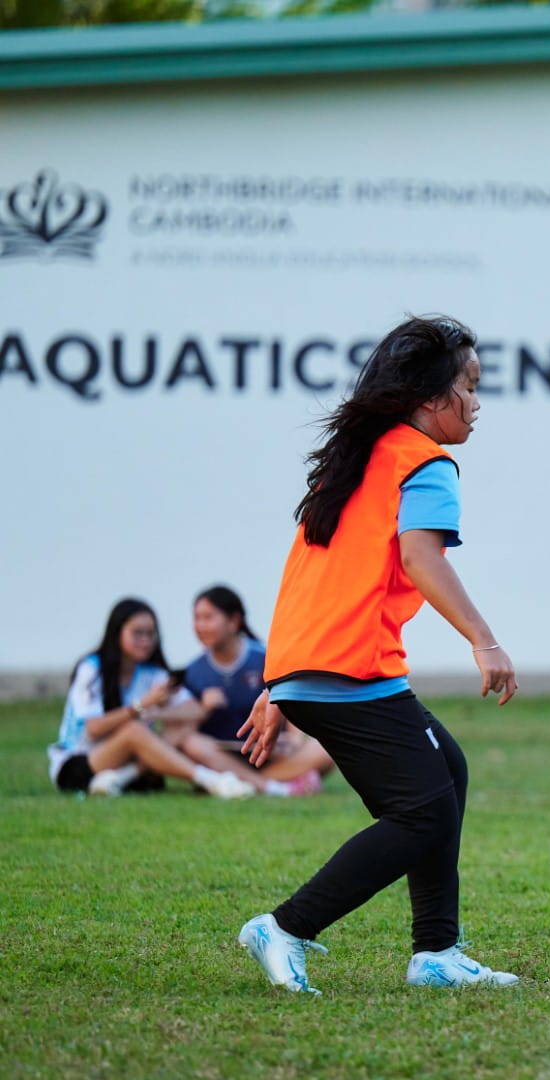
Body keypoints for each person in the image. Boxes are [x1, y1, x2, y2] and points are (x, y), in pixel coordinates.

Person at [234, 314, 520, 995]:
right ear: (431, 399)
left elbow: (308, 575)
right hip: (347, 667)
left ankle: (437, 953)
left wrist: (279, 681)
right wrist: (485, 638)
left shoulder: (358, 458)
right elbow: (422, 559)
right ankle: (286, 926)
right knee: (422, 812)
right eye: (470, 387)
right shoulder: (423, 461)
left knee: (444, 773)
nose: (478, 403)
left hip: (316, 664)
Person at [48, 598, 257, 800]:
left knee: (180, 727)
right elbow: (93, 728)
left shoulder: (152, 672)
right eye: (138, 633)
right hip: (81, 761)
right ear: (117, 633)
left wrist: (159, 713)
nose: (146, 641)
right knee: (133, 730)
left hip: (126, 761)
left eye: (151, 633)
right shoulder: (92, 668)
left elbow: (194, 711)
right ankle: (212, 781)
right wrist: (142, 706)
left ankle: (123, 777)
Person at [166, 585, 333, 796]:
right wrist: (204, 709)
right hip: (222, 754)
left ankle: (244, 783)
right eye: (197, 618)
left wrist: (293, 739)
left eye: (208, 618)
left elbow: (290, 695)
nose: (200, 626)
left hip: (270, 751)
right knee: (193, 744)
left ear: (234, 621)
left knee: (325, 748)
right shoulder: (193, 672)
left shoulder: (265, 658)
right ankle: (275, 787)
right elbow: (184, 729)